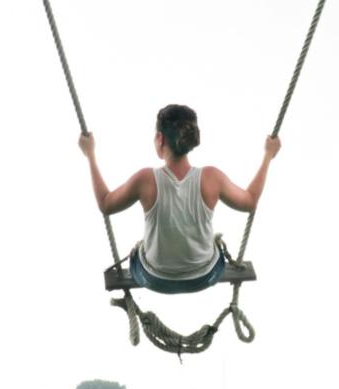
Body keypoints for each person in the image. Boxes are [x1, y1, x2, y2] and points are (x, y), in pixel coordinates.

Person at [79, 104, 281, 293]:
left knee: (138, 253)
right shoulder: (212, 177)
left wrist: (90, 154)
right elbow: (249, 201)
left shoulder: (145, 179)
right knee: (212, 249)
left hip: (154, 278)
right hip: (205, 276)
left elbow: (106, 204)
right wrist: (268, 155)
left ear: (160, 139)